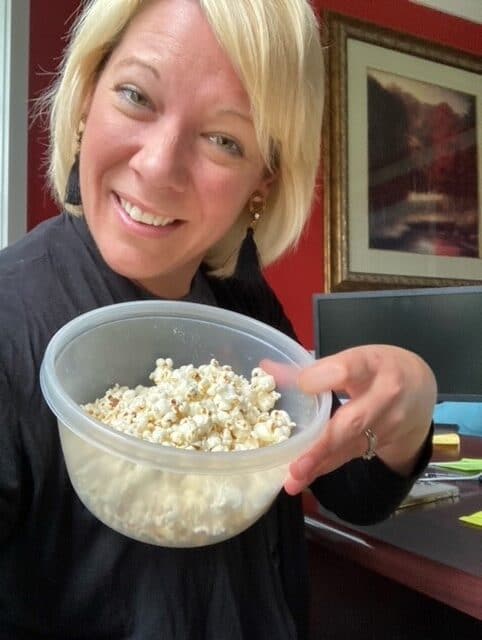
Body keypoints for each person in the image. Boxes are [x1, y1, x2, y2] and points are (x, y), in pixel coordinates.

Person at [0, 1, 437, 638]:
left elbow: (355, 493)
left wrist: (410, 408)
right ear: (87, 94)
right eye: (135, 96)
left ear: (263, 181)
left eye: (224, 140)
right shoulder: (11, 323)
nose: (157, 165)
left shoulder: (244, 307)